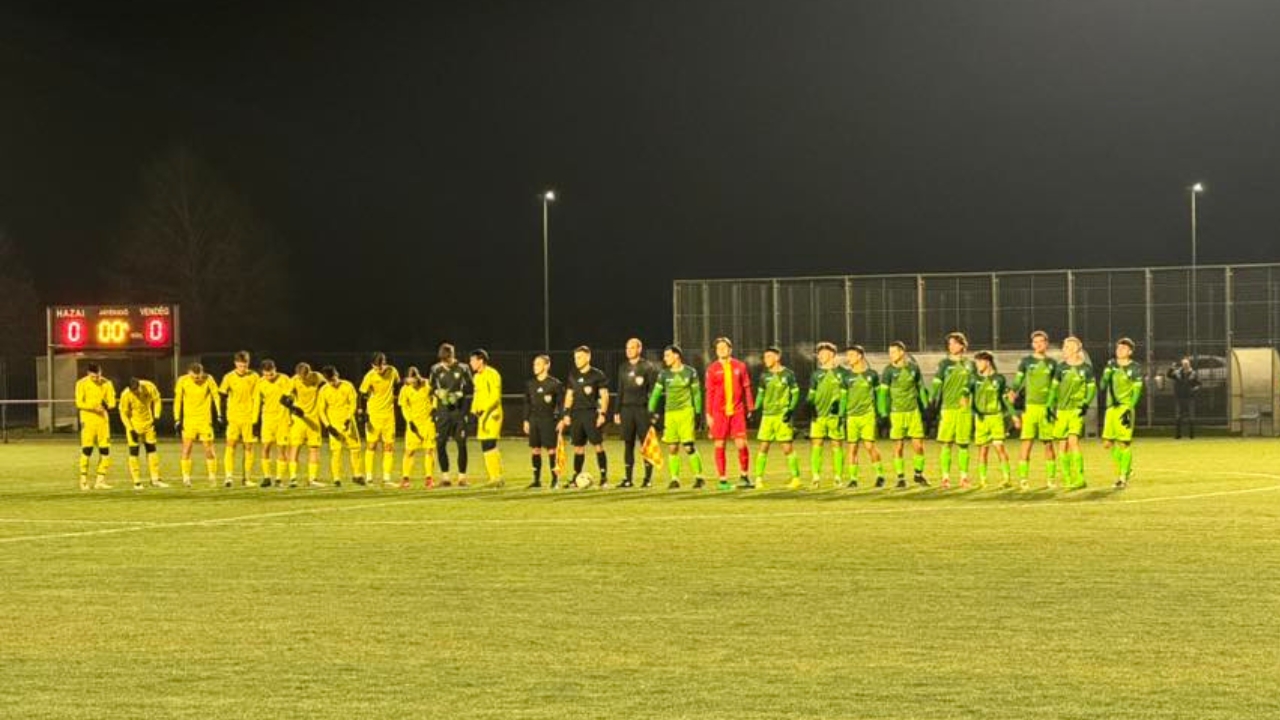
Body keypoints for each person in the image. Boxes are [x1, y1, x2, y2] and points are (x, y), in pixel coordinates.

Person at [648, 345, 707, 489]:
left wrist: (698, 413)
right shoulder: (664, 374)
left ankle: (699, 477)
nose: (665, 358)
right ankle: (674, 479)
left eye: (667, 355)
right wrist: (650, 410)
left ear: (677, 356)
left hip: (686, 412)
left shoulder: (690, 372)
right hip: (670, 414)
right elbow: (656, 393)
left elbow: (697, 393)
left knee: (688, 446)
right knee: (672, 447)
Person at [1009, 331, 1059, 490]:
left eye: (1041, 341)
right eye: (1035, 342)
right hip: (1030, 408)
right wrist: (1013, 390)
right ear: (1032, 344)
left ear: (1046, 343)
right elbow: (1018, 379)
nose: (1038, 344)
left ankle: (1051, 479)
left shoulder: (1053, 363)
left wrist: (1054, 404)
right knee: (1026, 442)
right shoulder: (1026, 361)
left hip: (1046, 408)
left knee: (1048, 444)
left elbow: (1056, 386)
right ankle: (1023, 479)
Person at [704, 336, 754, 490]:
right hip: (719, 412)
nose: (721, 350)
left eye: (724, 347)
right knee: (720, 444)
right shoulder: (712, 369)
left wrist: (750, 406)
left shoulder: (740, 366)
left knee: (741, 443)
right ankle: (723, 480)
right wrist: (708, 413)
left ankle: (744, 476)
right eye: (718, 348)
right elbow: (709, 392)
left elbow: (746, 387)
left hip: (737, 411)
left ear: (730, 349)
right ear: (716, 351)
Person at [877, 341, 929, 488]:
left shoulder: (913, 368)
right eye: (889, 352)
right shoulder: (888, 371)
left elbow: (920, 387)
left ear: (902, 352)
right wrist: (882, 412)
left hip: (913, 412)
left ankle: (918, 475)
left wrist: (926, 406)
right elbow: (883, 393)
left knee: (919, 446)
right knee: (898, 447)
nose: (890, 355)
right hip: (897, 413)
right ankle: (900, 478)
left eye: (893, 352)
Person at [1049, 336, 1096, 490]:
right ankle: (1068, 480)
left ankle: (1080, 479)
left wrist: (1085, 404)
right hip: (1061, 411)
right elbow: (1054, 388)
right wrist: (1049, 405)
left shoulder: (1086, 369)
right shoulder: (1060, 368)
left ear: (1075, 349)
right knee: (1062, 445)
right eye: (1064, 347)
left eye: (1067, 347)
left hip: (1076, 410)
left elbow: (1091, 389)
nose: (1064, 350)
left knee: (1073, 441)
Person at [930, 332, 977, 489]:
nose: (951, 346)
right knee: (946, 443)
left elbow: (974, 382)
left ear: (962, 345)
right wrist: (932, 398)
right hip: (948, 408)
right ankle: (945, 478)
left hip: (964, 409)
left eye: (955, 343)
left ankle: (964, 477)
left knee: (963, 444)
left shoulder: (970, 364)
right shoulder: (944, 364)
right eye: (949, 344)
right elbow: (937, 382)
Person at [752, 346, 801, 489]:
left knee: (787, 448)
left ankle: (796, 478)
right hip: (767, 416)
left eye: (768, 357)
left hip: (781, 415)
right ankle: (758, 479)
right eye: (764, 357)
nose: (765, 360)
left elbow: (795, 394)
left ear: (777, 357)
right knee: (763, 447)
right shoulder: (764, 376)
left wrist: (790, 410)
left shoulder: (788, 374)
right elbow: (760, 395)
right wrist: (755, 409)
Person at [561, 346, 610, 487]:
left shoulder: (597, 375)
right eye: (575, 358)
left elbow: (604, 396)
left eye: (580, 357)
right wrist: (566, 413)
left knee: (597, 445)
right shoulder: (573, 375)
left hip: (591, 413)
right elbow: (569, 395)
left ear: (588, 357)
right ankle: (576, 477)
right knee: (578, 447)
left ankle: (603, 477)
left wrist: (602, 414)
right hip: (576, 414)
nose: (577, 360)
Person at [614, 338, 658, 488]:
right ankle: (628, 479)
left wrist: (652, 411)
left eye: (632, 348)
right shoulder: (623, 367)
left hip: (642, 410)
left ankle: (647, 479)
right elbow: (620, 390)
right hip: (626, 410)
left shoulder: (647, 367)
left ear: (639, 349)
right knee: (628, 443)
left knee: (646, 444)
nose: (629, 350)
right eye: (627, 348)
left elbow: (652, 392)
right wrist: (617, 410)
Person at [1101, 338, 1144, 488]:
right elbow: (1102, 385)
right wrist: (1106, 375)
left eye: (1123, 348)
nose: (1119, 350)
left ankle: (1122, 477)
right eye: (1118, 348)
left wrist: (1130, 408)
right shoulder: (1111, 364)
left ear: (1130, 352)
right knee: (1107, 443)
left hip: (1125, 408)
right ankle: (1128, 468)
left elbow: (1137, 390)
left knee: (1123, 443)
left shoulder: (1135, 368)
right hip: (1110, 408)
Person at [843, 345, 886, 489]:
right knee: (852, 448)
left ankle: (880, 475)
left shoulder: (872, 375)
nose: (848, 358)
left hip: (867, 414)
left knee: (869, 446)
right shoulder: (847, 376)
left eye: (851, 355)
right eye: (847, 355)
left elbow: (879, 395)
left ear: (860, 356)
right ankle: (853, 479)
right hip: (851, 416)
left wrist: (881, 411)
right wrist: (841, 413)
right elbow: (844, 397)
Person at [429, 343, 472, 486]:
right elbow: (431, 387)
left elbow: (470, 387)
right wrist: (438, 393)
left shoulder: (463, 368)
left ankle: (462, 477)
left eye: (447, 359)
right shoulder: (435, 369)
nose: (445, 363)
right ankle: (445, 477)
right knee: (440, 443)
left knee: (461, 443)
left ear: (452, 356)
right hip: (442, 412)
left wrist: (459, 394)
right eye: (443, 360)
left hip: (459, 412)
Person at [807, 341, 849, 488]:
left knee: (836, 445)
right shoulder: (816, 374)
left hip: (835, 417)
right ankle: (815, 477)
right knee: (816, 445)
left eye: (822, 353)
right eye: (818, 354)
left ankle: (838, 477)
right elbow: (811, 394)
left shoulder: (842, 373)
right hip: (818, 416)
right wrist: (810, 405)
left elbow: (845, 395)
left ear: (831, 354)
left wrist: (841, 412)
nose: (819, 356)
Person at [174, 362, 222, 487]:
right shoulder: (182, 380)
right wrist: (177, 419)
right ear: (189, 373)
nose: (197, 379)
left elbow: (216, 396)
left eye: (199, 376)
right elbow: (178, 400)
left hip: (205, 420)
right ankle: (186, 478)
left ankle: (212, 477)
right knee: (187, 448)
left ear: (202, 373)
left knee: (209, 449)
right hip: (189, 421)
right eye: (194, 377)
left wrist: (219, 414)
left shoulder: (209, 379)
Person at [970, 352, 1013, 489]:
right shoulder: (974, 379)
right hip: (980, 418)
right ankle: (983, 480)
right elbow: (967, 395)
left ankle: (1007, 479)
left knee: (999, 447)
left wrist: (1011, 402)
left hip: (996, 417)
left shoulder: (999, 379)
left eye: (979, 362)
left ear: (987, 362)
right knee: (983, 450)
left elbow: (1005, 396)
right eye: (976, 362)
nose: (977, 365)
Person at [359, 352, 401, 487]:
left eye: (381, 366)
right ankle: (369, 477)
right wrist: (362, 412)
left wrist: (395, 397)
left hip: (389, 415)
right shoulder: (370, 376)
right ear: (372, 365)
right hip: (374, 415)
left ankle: (386, 478)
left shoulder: (393, 371)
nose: (379, 370)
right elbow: (362, 394)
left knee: (389, 446)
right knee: (371, 445)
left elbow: (398, 385)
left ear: (385, 363)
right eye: (376, 367)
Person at [219, 350, 260, 488]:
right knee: (231, 445)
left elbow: (257, 398)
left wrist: (256, 419)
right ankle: (228, 477)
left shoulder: (254, 376)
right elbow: (222, 395)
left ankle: (246, 478)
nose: (243, 368)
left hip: (249, 417)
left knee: (249, 447)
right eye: (240, 365)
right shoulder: (229, 377)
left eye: (245, 365)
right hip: (234, 417)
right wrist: (222, 415)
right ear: (235, 363)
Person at [318, 365, 364, 487]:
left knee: (355, 448)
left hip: (348, 423)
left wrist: (348, 418)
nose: (332, 383)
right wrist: (328, 426)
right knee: (336, 451)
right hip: (334, 424)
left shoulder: (347, 386)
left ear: (337, 375)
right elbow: (321, 410)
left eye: (333, 379)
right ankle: (337, 478)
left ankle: (357, 475)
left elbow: (353, 403)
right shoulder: (324, 390)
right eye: (329, 381)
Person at [119, 376, 167, 489]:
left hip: (148, 424)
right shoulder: (125, 395)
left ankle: (155, 479)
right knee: (134, 451)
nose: (136, 392)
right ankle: (137, 482)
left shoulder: (149, 386)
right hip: (134, 426)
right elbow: (123, 413)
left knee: (151, 449)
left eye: (137, 389)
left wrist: (156, 416)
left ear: (139, 385)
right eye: (133, 391)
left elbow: (157, 400)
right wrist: (130, 429)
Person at [524, 355, 564, 489]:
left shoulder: (555, 384)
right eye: (534, 364)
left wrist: (561, 419)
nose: (535, 367)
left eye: (538, 364)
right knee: (535, 449)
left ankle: (555, 480)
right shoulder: (530, 384)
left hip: (549, 420)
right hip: (534, 420)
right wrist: (526, 420)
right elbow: (527, 403)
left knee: (551, 450)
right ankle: (536, 480)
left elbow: (561, 404)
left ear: (546, 366)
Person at [75, 363, 116, 490]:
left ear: (101, 373)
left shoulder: (107, 383)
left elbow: (112, 402)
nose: (96, 379)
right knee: (87, 450)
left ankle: (100, 480)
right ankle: (83, 480)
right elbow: (79, 403)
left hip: (103, 421)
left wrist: (107, 405)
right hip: (88, 420)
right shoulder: (81, 383)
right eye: (93, 377)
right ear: (88, 374)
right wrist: (93, 408)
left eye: (98, 376)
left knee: (105, 450)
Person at [285, 362, 325, 488]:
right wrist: (292, 407)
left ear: (309, 372)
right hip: (299, 420)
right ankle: (293, 478)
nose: (303, 379)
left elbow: (326, 388)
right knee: (295, 447)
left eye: (305, 376)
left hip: (314, 419)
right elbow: (286, 398)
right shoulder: (294, 381)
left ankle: (312, 479)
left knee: (314, 448)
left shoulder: (317, 377)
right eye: (300, 376)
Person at [254, 360, 293, 488]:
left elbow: (290, 395)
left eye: (271, 374)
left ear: (275, 369)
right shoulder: (260, 383)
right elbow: (257, 402)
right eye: (266, 374)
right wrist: (254, 421)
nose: (269, 377)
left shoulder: (284, 379)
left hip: (282, 419)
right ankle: (267, 477)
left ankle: (279, 479)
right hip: (267, 419)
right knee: (265, 448)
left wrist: (289, 400)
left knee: (281, 449)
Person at [469, 349, 505, 487]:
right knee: (485, 445)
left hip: (493, 414)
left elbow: (495, 397)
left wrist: (485, 412)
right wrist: (473, 410)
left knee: (490, 444)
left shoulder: (492, 374)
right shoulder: (476, 377)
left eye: (473, 360)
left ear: (481, 360)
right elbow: (477, 395)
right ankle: (495, 477)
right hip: (482, 415)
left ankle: (496, 477)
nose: (471, 363)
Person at [398, 366, 437, 489]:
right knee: (409, 451)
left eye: (414, 381)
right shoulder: (405, 389)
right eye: (410, 381)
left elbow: (435, 396)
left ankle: (429, 478)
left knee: (429, 450)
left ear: (418, 377)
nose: (412, 384)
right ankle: (405, 478)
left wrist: (434, 409)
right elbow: (404, 406)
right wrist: (409, 421)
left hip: (427, 422)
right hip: (413, 423)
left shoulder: (427, 384)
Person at [1167, 357, 1200, 439]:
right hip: (1179, 397)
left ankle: (1192, 435)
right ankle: (1178, 435)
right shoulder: (1177, 373)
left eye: (1187, 364)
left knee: (1191, 417)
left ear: (1189, 364)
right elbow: (1169, 375)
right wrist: (1171, 368)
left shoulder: (1193, 373)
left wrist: (1195, 388)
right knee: (1178, 416)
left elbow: (1198, 384)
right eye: (1184, 364)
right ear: (1182, 365)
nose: (1185, 365)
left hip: (1190, 397)